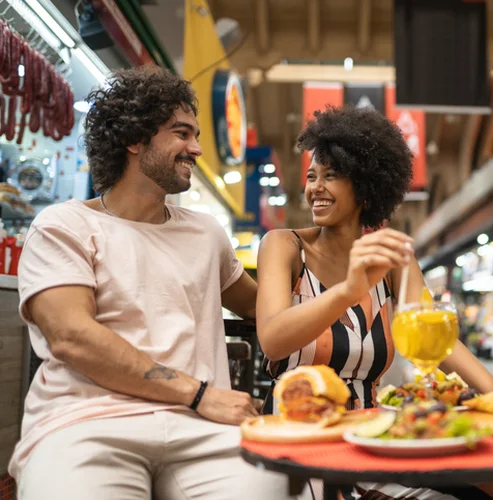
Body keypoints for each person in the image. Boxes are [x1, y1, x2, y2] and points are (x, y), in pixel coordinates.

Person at [11, 67, 308, 499]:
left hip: (205, 432)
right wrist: (199, 394)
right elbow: (72, 337)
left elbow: (266, 310)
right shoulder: (64, 225)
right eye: (181, 133)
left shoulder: (205, 233)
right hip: (86, 424)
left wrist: (340, 276)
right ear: (135, 138)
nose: (198, 148)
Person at [256, 106, 493, 500]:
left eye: (331, 175)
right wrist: (347, 290)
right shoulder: (285, 245)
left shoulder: (393, 259)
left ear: (366, 186)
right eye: (312, 176)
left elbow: (435, 339)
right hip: (302, 432)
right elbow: (273, 340)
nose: (315, 188)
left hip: (377, 429)